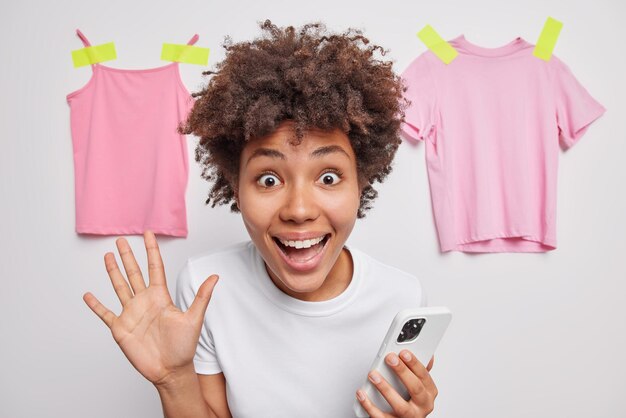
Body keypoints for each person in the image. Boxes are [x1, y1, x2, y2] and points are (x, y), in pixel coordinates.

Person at [83, 20, 438, 418]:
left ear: (361, 183)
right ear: (236, 188)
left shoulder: (400, 299)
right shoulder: (205, 288)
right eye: (268, 179)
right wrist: (174, 378)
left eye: (328, 177)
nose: (299, 209)